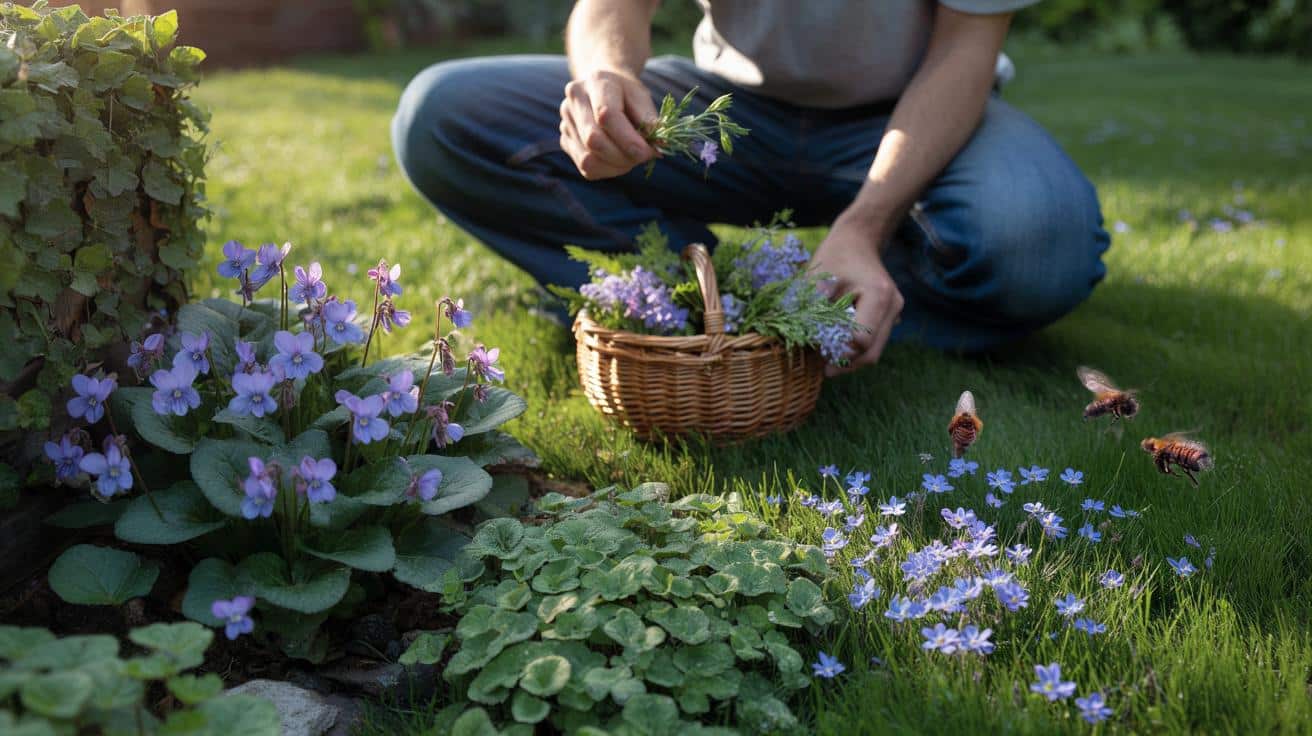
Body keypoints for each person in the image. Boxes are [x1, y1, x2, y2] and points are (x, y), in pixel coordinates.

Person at [391, 0, 1110, 373]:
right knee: (443, 117)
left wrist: (865, 224)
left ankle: (814, 303)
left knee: (1040, 242)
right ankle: (693, 298)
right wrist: (608, 77)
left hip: (909, 114)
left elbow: (965, 53)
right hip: (725, 114)